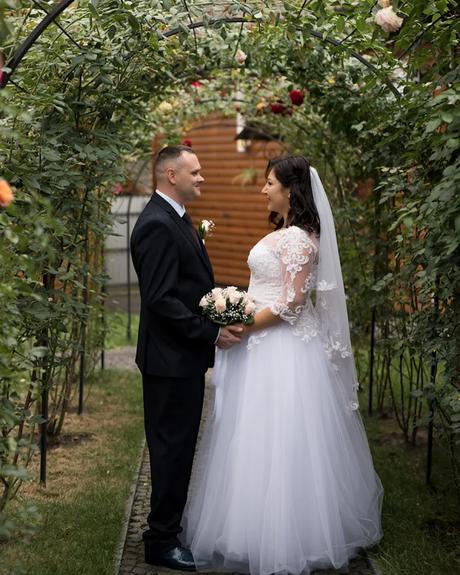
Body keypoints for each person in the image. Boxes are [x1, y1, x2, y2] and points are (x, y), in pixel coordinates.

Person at [182, 155, 383, 575]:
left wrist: (239, 325)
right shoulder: (292, 233)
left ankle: (288, 534)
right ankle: (250, 525)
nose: (263, 189)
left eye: (269, 182)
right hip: (267, 343)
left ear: (290, 189)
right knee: (255, 436)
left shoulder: (296, 239)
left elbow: (292, 302)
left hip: (281, 349)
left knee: (279, 438)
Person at [130, 145, 242, 571]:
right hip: (168, 361)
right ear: (170, 175)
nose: (202, 178)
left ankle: (168, 528)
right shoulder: (157, 224)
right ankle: (160, 541)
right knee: (170, 450)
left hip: (180, 359)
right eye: (195, 172)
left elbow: (185, 287)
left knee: (178, 448)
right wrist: (211, 331)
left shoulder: (175, 217)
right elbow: (160, 299)